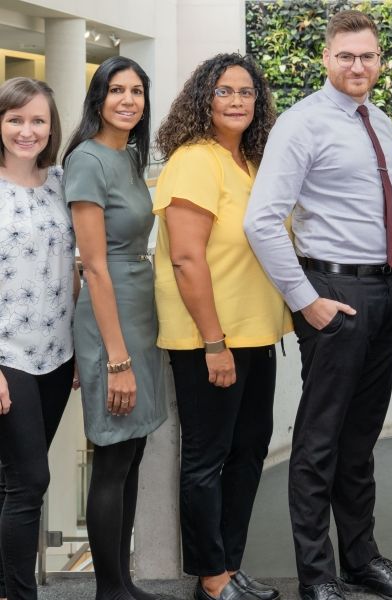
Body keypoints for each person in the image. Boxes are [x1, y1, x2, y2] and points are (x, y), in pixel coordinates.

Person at [244, 10, 392, 600]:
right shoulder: (301, 124)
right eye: (346, 56)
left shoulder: (376, 117)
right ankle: (317, 577)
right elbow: (262, 221)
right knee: (319, 440)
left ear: (379, 61)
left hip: (387, 291)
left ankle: (361, 560)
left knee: (359, 440)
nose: (358, 66)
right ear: (326, 58)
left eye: (368, 56)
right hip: (335, 294)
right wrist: (308, 301)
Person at [153, 54, 290, 600]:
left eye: (247, 92)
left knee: (249, 452)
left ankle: (231, 567)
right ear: (203, 98)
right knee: (208, 459)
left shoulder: (251, 162)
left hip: (256, 336)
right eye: (224, 91)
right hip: (209, 340)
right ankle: (210, 577)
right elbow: (187, 259)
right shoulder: (193, 160)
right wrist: (214, 342)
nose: (237, 101)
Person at [63, 56, 167, 600]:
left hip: (139, 308)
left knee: (132, 453)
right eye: (116, 90)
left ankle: (123, 582)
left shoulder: (127, 156)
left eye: (137, 91)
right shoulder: (86, 160)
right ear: (98, 97)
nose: (128, 100)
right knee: (112, 454)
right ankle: (109, 591)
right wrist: (115, 358)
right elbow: (94, 265)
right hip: (112, 317)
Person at [0, 77, 77, 600]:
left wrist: (76, 347)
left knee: (11, 483)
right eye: (15, 119)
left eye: (38, 121)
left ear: (51, 127)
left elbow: (74, 266)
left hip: (56, 354)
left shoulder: (61, 181)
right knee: (30, 483)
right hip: (7, 357)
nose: (27, 131)